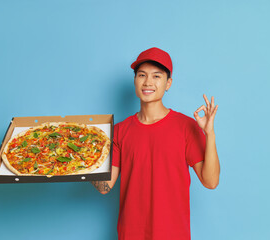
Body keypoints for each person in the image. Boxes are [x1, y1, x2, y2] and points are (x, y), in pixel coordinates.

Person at [91, 47, 220, 240]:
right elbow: (104, 187)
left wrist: (209, 134)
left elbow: (210, 181)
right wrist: (84, 158)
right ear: (135, 81)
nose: (148, 82)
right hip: (131, 234)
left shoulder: (186, 126)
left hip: (173, 235)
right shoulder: (119, 131)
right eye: (142, 75)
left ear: (168, 83)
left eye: (156, 76)